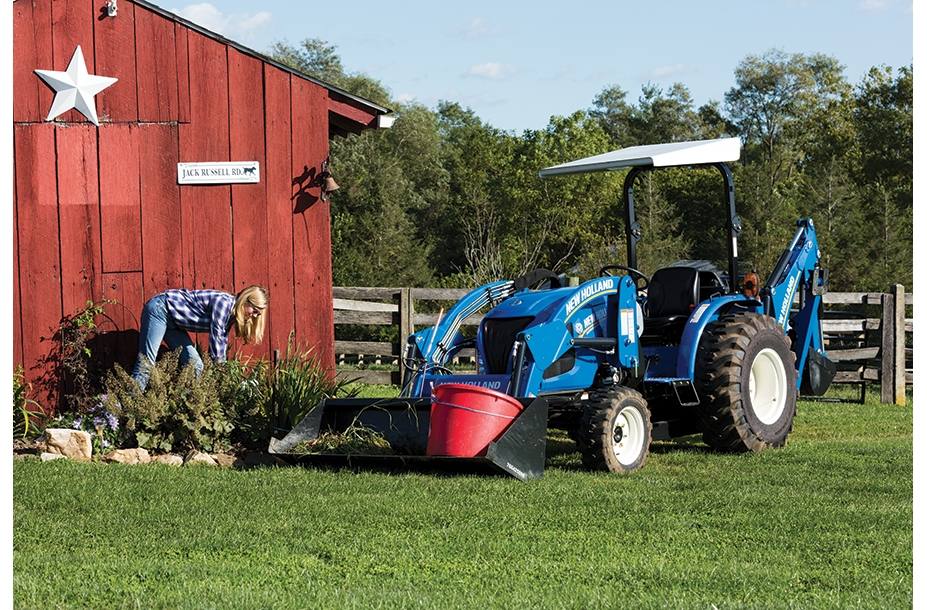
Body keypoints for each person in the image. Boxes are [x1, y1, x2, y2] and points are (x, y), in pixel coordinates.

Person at [130, 285, 268, 391]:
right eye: (255, 311)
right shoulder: (224, 303)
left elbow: (221, 343)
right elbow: (217, 339)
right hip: (160, 309)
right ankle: (122, 414)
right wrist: (221, 374)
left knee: (195, 366)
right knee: (146, 363)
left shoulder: (232, 314)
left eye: (258, 314)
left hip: (174, 322)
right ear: (246, 300)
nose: (254, 316)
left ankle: (190, 412)